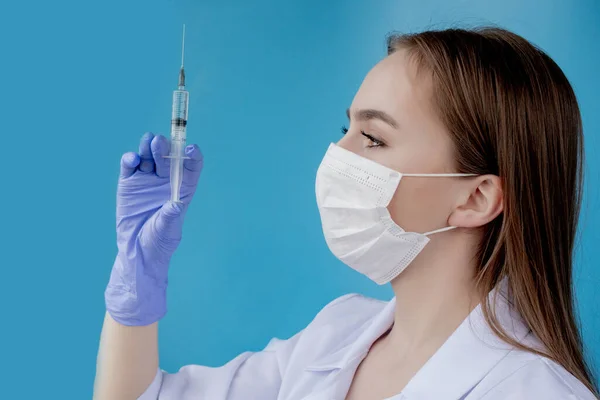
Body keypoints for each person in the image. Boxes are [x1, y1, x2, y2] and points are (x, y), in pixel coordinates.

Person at [93, 27, 599, 399]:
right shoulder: (334, 337)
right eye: (346, 130)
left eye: (374, 138)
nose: (337, 156)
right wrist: (133, 294)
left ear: (475, 198)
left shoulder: (537, 391)